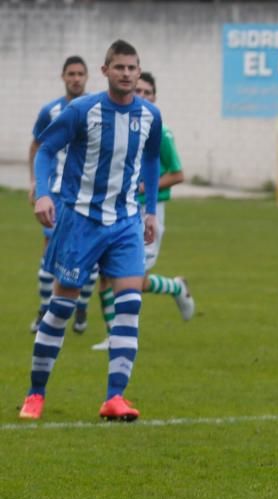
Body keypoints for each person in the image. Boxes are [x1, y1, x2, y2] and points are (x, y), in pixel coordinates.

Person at [19, 39, 163, 422]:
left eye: (133, 67)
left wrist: (149, 212)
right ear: (105, 71)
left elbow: (151, 158)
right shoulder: (82, 110)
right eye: (120, 67)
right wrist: (44, 194)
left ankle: (115, 397)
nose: (128, 74)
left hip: (126, 222)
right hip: (80, 220)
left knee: (129, 307)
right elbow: (46, 150)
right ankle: (35, 393)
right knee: (61, 307)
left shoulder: (150, 115)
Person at [91, 70, 194, 351]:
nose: (144, 97)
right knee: (105, 272)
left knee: (134, 278)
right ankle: (113, 336)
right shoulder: (122, 127)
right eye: (140, 92)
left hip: (150, 211)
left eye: (149, 93)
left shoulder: (160, 131)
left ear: (155, 97)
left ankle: (176, 288)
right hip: (118, 210)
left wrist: (144, 188)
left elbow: (178, 174)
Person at [28, 55, 98, 336]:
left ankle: (80, 306)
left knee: (87, 256)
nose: (76, 78)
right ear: (63, 77)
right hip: (56, 196)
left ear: (87, 77)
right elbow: (38, 146)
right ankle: (46, 310)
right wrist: (35, 182)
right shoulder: (51, 111)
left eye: (80, 73)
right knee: (50, 254)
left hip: (87, 197)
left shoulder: (96, 108)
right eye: (71, 73)